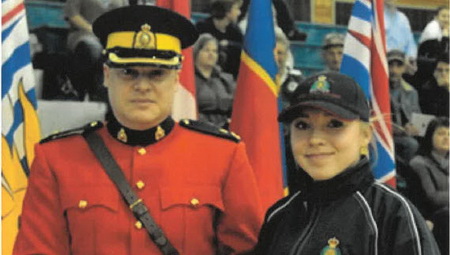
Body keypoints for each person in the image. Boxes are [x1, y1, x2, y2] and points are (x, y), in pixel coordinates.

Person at [13, 5, 263, 255]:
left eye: (157, 74)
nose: (142, 86)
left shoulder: (222, 156)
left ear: (176, 80)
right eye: (128, 72)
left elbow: (246, 249)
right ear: (107, 75)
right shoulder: (57, 159)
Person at [252, 71, 440, 255]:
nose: (315, 139)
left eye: (334, 124)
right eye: (302, 125)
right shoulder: (279, 215)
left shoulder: (393, 215)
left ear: (365, 135)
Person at [64, 0, 127, 101]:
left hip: (112, 37)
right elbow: (72, 15)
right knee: (92, 49)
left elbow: (125, 18)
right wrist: (93, 30)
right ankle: (85, 90)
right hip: (84, 33)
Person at [409, 117, 449, 255]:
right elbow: (433, 197)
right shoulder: (419, 163)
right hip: (430, 215)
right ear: (430, 136)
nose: (446, 138)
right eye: (441, 134)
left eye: (449, 134)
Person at [194, 33, 236, 129]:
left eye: (214, 51)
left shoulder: (226, 80)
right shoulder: (190, 80)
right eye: (206, 50)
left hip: (225, 130)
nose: (211, 54)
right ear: (196, 52)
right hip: (199, 128)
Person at [387, 49, 421, 162]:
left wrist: (413, 127)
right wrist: (400, 130)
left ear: (404, 68)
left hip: (405, 136)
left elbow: (417, 119)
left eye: (398, 66)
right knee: (411, 144)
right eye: (390, 65)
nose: (394, 70)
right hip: (384, 134)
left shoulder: (411, 92)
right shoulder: (376, 90)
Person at [196, 0, 244, 78]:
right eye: (236, 9)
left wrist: (229, 44)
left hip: (230, 77)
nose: (239, 13)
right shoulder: (202, 27)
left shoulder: (235, 30)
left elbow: (243, 48)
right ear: (227, 12)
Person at [384, 0, 417, 75]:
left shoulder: (403, 18)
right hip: (385, 62)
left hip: (403, 62)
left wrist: (410, 57)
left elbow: (410, 43)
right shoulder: (376, 17)